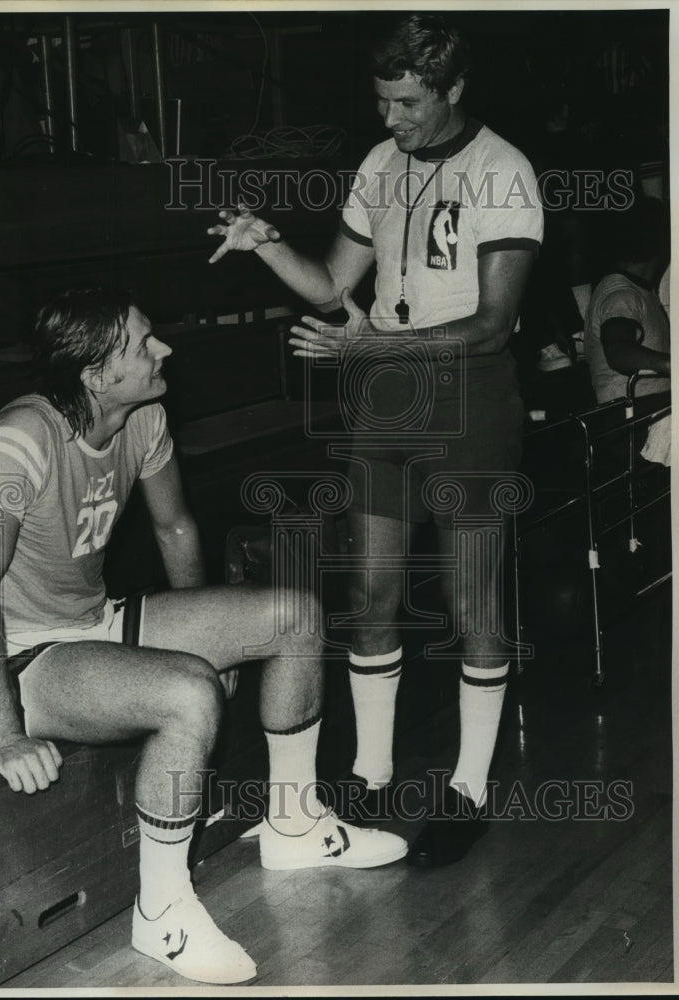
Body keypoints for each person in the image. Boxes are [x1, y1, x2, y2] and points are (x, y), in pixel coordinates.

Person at [0, 287, 407, 987]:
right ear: (96, 375)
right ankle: (160, 910)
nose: (163, 349)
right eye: (142, 344)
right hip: (18, 655)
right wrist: (4, 732)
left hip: (94, 619)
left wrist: (206, 638)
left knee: (295, 616)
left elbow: (176, 528)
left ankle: (294, 824)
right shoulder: (16, 445)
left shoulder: (144, 417)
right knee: (186, 695)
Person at [208, 14, 543, 867]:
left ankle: (467, 786)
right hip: (384, 402)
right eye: (382, 101)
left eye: (407, 103)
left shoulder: (503, 171)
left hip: (469, 399)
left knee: (472, 606)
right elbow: (331, 285)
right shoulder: (378, 164)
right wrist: (268, 244)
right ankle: (368, 774)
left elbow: (495, 325)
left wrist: (371, 346)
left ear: (454, 90)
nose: (391, 118)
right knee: (371, 595)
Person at [585, 196, 670, 405]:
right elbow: (618, 351)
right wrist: (672, 364)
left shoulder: (637, 290)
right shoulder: (622, 294)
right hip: (635, 419)